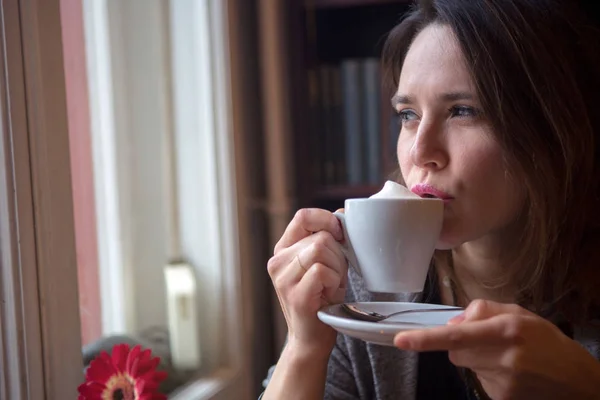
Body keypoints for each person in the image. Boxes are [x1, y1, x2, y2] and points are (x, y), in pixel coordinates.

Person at [261, 0, 600, 398]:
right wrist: (304, 348)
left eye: (462, 110)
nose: (421, 152)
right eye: (408, 114)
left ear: (555, 130)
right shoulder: (362, 290)